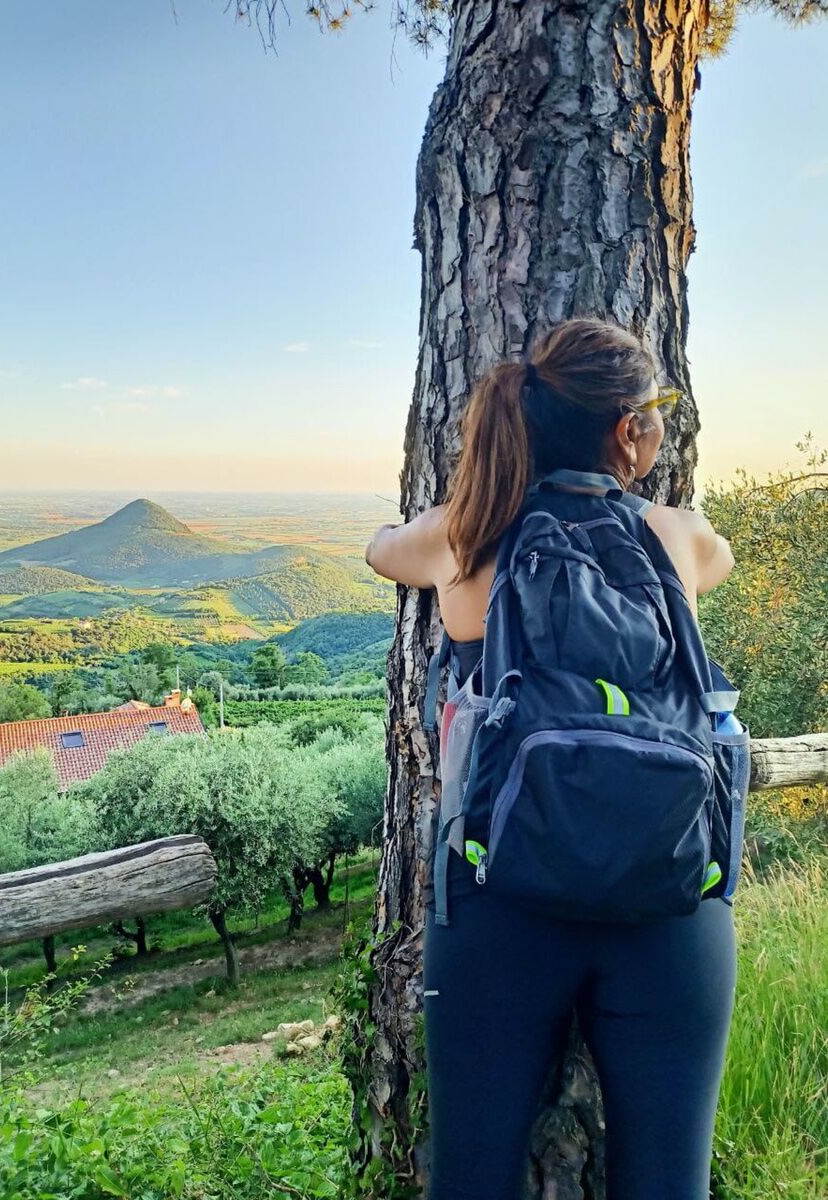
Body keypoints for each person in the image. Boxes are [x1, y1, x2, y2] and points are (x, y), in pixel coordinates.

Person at [364, 318, 738, 1200]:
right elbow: (719, 555)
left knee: (472, 1181)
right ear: (629, 432)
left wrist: (426, 522)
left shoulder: (469, 535)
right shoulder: (676, 538)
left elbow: (380, 549)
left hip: (502, 905)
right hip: (669, 904)